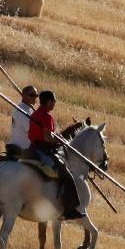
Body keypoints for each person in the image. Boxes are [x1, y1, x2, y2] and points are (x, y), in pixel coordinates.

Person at [28, 90, 86, 219]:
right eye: (53, 100)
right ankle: (69, 209)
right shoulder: (47, 116)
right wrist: (60, 141)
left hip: (32, 148)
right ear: (48, 101)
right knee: (67, 175)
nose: (55, 103)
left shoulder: (36, 113)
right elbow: (47, 138)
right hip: (44, 150)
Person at [5, 85, 38, 160]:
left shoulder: (27, 109)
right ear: (24, 96)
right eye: (32, 95)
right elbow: (32, 132)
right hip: (23, 147)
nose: (35, 98)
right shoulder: (22, 111)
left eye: (36, 95)